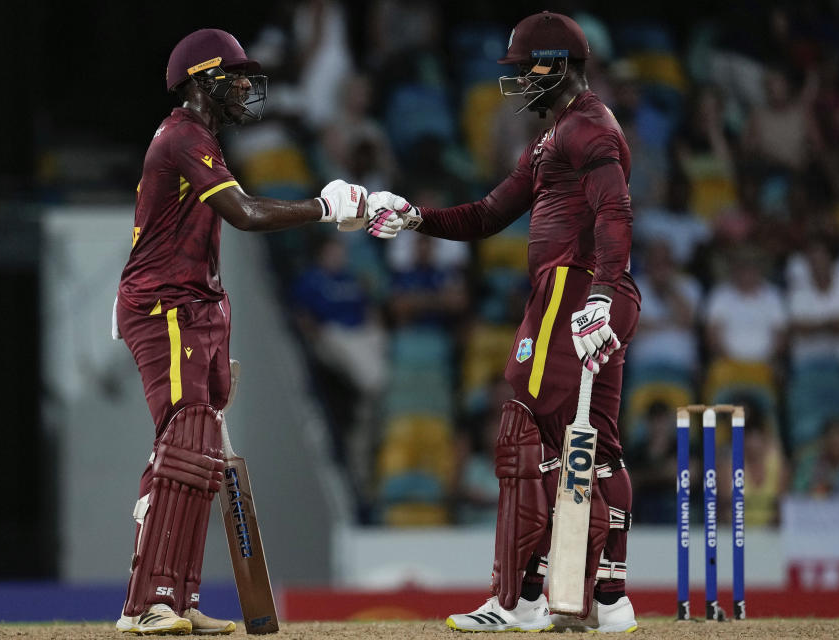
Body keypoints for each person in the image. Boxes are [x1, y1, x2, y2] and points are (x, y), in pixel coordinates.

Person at [366, 11, 640, 633]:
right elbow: (487, 215)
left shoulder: (587, 128)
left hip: (573, 289)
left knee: (524, 431)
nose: (517, 83)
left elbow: (615, 211)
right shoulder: (558, 137)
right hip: (596, 290)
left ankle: (519, 600)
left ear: (558, 67)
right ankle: (607, 597)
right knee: (597, 446)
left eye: (525, 69)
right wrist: (414, 218)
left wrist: (595, 294)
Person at [111, 28, 369, 635]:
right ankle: (149, 604)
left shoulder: (197, 138)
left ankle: (173, 598)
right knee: (185, 441)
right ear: (201, 81)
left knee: (192, 451)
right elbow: (246, 214)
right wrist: (323, 209)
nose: (247, 86)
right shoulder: (182, 137)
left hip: (191, 307)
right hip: (165, 308)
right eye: (234, 75)